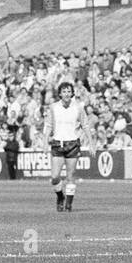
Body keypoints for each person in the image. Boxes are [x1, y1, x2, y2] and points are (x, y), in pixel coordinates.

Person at [45, 81, 87, 211]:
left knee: (70, 176)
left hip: (72, 143)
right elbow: (49, 125)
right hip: (58, 144)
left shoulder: (78, 107)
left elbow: (85, 125)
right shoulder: (53, 107)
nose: (67, 94)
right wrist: (44, 141)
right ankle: (60, 196)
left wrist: (91, 143)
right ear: (60, 94)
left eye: (69, 91)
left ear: (72, 93)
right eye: (64, 91)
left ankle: (68, 204)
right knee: (54, 177)